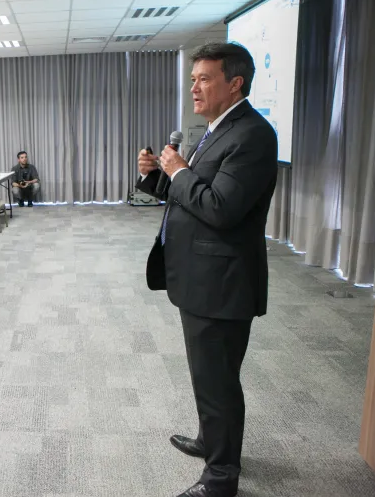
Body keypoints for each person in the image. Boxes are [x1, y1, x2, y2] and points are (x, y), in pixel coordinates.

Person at [136, 42, 278, 497]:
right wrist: (157, 175)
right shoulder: (213, 130)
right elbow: (190, 194)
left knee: (217, 381)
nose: (194, 87)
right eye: (192, 78)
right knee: (208, 375)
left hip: (222, 283)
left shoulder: (252, 134)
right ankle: (210, 440)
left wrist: (178, 171)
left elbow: (219, 208)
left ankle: (220, 480)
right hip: (199, 278)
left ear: (235, 83)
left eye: (204, 78)